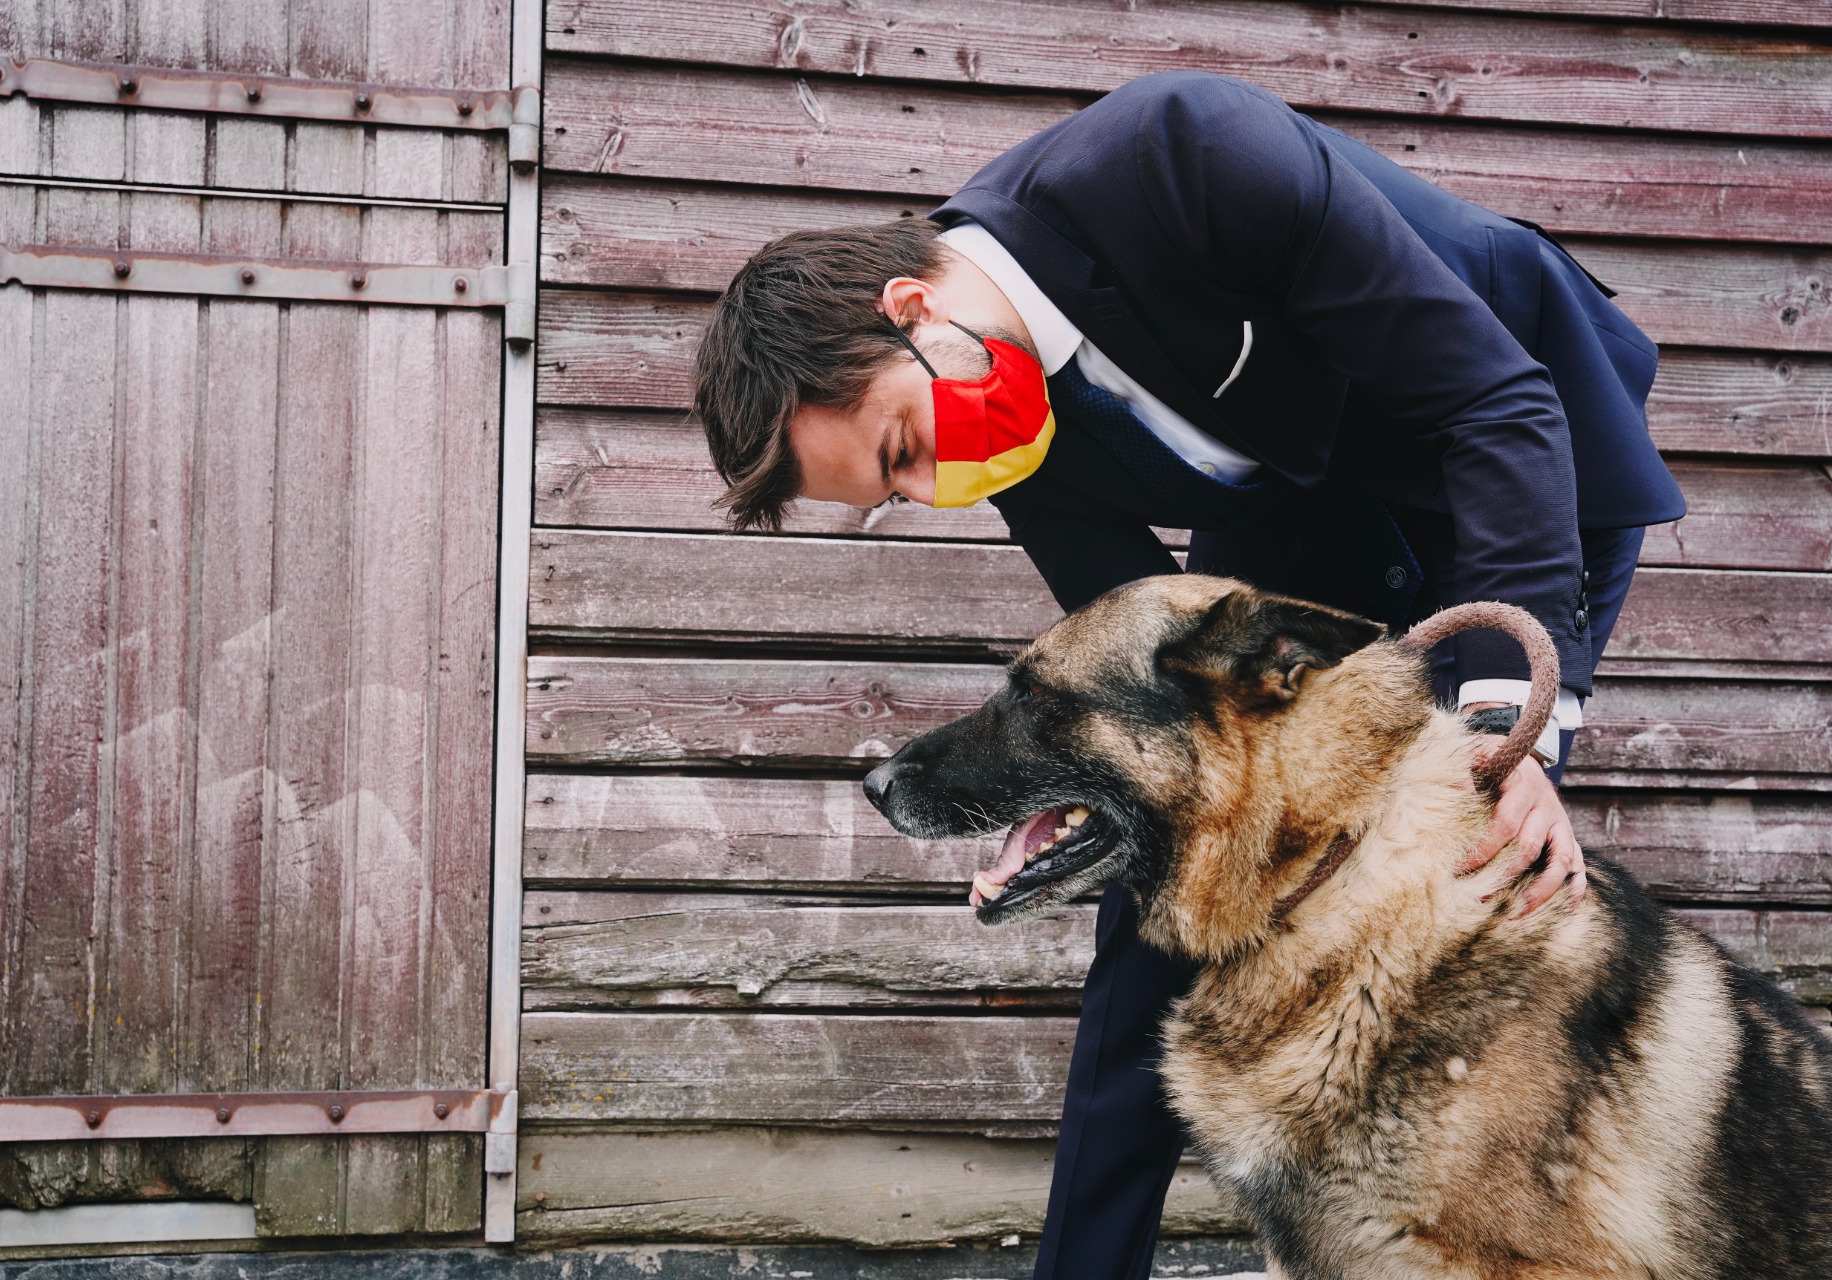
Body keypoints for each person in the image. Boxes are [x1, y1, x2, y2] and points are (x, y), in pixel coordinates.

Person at [691, 70, 1684, 1280]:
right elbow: (1130, 685)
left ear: (916, 308)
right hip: (1305, 514)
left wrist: (1506, 735)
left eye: (903, 447)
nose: (929, 487)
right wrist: (1075, 818)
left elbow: (1493, 404)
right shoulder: (990, 413)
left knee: (1483, 863)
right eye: (893, 495)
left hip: (1522, 448)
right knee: (1165, 885)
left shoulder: (1185, 156)